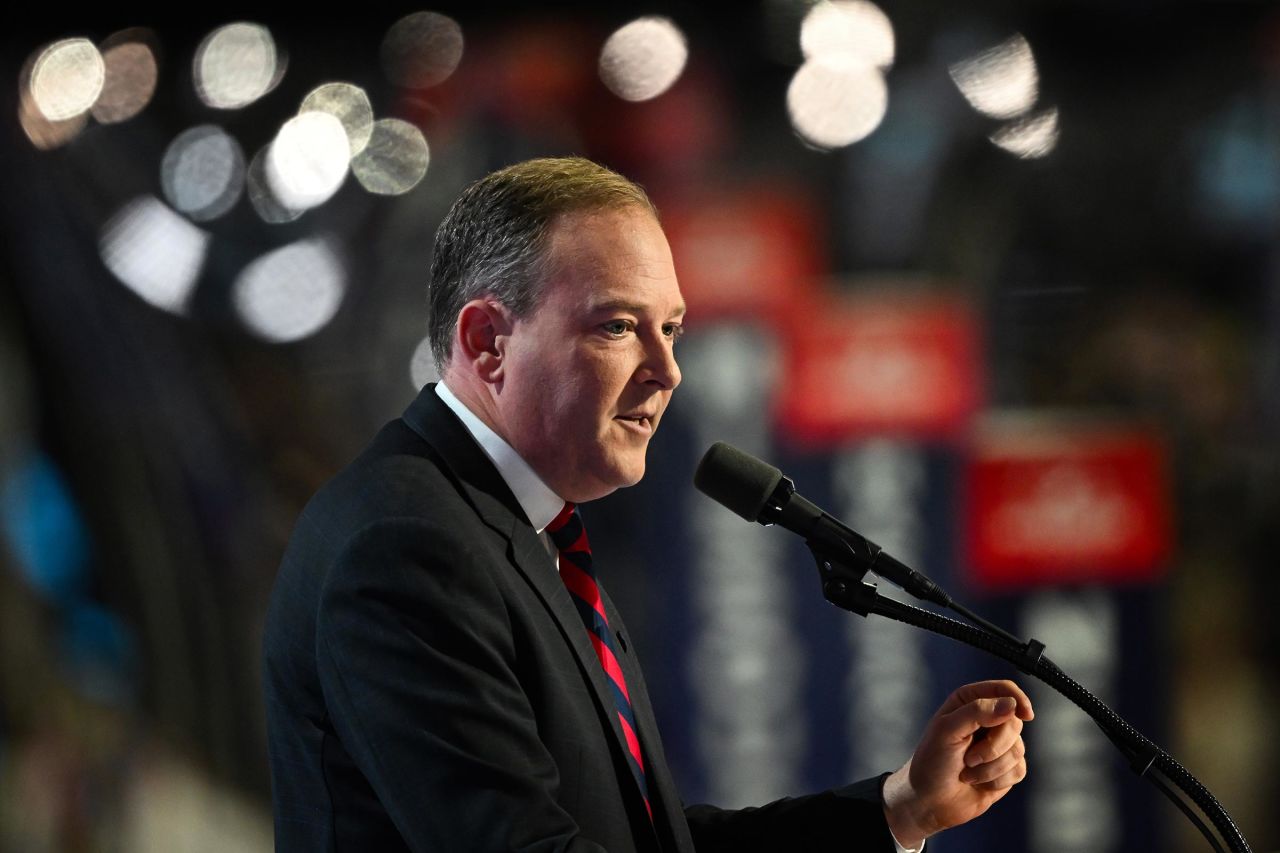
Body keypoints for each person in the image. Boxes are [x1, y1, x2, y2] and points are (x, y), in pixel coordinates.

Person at [262, 157, 1033, 852]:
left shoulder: (519, 531)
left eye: (672, 329)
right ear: (488, 342)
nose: (669, 371)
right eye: (620, 326)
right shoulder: (408, 545)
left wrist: (900, 808)